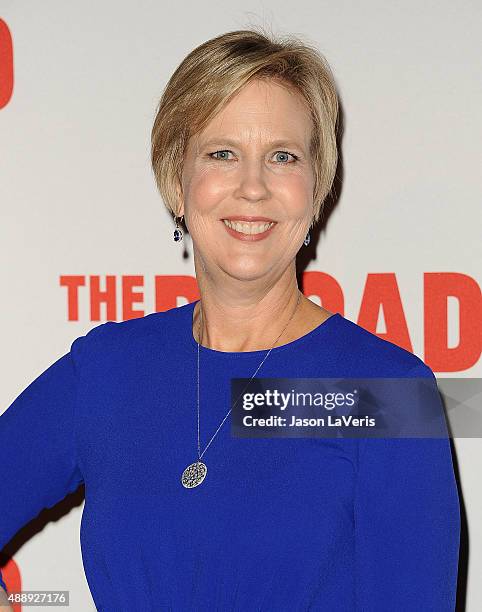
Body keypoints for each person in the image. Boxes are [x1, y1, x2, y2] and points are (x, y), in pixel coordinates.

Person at [0, 28, 460, 611]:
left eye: (282, 157)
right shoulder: (108, 371)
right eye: (222, 154)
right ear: (177, 179)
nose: (253, 186)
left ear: (316, 185)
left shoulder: (386, 392)